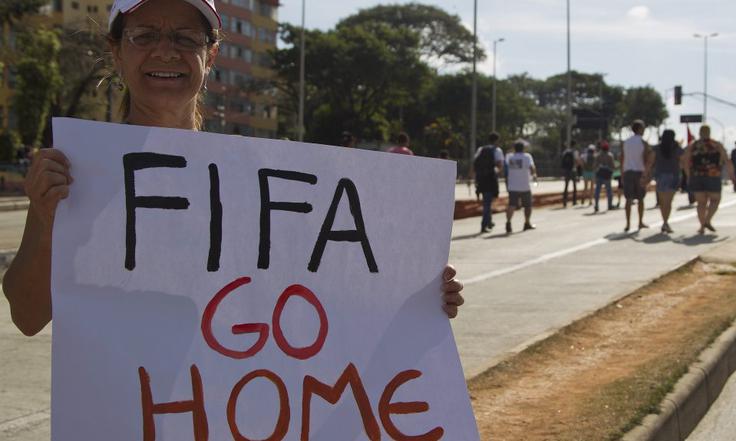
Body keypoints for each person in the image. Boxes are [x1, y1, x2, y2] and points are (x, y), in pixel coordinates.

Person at [3, 0, 465, 337]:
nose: (166, 51)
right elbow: (27, 316)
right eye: (145, 35)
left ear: (212, 53)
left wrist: (411, 294)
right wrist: (46, 222)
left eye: (186, 38)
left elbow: (321, 294)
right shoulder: (78, 172)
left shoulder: (257, 182)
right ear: (117, 48)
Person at [683, 125, 735, 235]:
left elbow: (685, 161)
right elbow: (727, 160)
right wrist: (732, 174)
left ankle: (702, 226)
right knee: (715, 200)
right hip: (713, 175)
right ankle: (707, 220)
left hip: (697, 176)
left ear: (699, 132)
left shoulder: (693, 145)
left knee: (701, 203)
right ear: (709, 132)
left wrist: (688, 175)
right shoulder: (717, 145)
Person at [620, 120, 654, 232]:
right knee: (640, 199)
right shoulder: (644, 143)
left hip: (628, 171)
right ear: (639, 129)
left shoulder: (626, 142)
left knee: (628, 199)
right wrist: (647, 174)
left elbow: (622, 158)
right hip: (640, 172)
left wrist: (622, 173)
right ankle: (640, 222)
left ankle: (628, 223)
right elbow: (649, 158)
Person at [652, 130, 683, 233]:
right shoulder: (677, 148)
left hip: (660, 176)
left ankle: (664, 221)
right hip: (673, 176)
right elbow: (683, 161)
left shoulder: (656, 148)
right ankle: (666, 222)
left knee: (662, 202)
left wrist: (647, 174)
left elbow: (650, 162)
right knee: (668, 202)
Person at [473, 132, 504, 233]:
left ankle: (489, 221)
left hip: (481, 179)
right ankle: (484, 224)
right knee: (487, 203)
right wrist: (496, 173)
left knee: (487, 201)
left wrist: (472, 178)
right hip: (490, 179)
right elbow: (499, 166)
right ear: (496, 140)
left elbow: (475, 164)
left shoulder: (481, 149)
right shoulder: (497, 150)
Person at [504, 139, 536, 233]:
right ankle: (527, 223)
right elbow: (532, 167)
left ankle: (508, 222)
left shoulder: (509, 157)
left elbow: (506, 161)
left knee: (511, 205)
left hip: (512, 186)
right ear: (523, 148)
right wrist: (534, 175)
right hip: (524, 185)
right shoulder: (527, 157)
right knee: (528, 205)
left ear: (514, 148)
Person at [593, 141, 615, 213]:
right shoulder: (610, 156)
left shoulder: (597, 155)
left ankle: (596, 205)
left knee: (597, 191)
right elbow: (613, 166)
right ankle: (610, 205)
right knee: (609, 191)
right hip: (607, 176)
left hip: (599, 175)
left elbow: (595, 166)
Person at [561, 140, 579, 207]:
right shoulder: (575, 152)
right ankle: (574, 201)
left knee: (566, 186)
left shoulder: (565, 151)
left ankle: (564, 202)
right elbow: (577, 162)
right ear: (575, 145)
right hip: (573, 170)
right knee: (574, 186)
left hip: (566, 170)